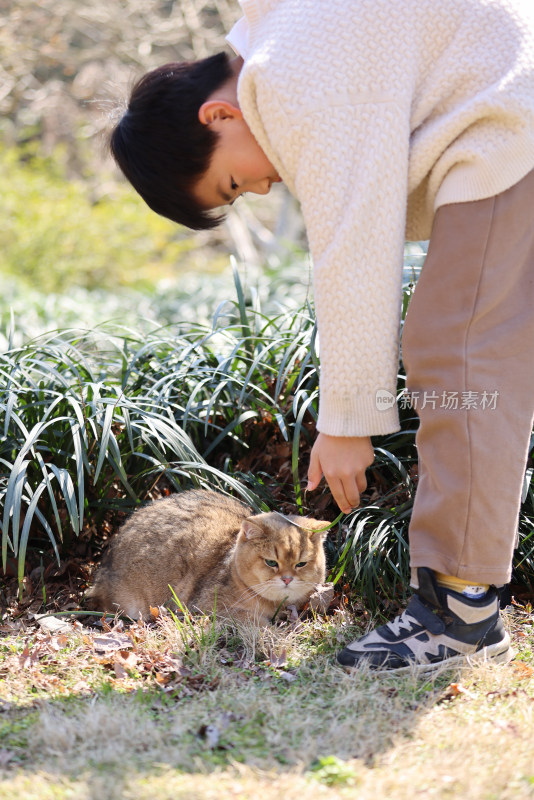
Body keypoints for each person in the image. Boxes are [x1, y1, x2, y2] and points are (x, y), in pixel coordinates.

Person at [109, 0, 534, 671]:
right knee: (463, 347)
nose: (265, 182)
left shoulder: (289, 77)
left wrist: (345, 423)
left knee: (460, 352)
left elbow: (354, 246)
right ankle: (463, 605)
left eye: (234, 181)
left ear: (217, 115)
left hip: (505, 112)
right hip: (506, 99)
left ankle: (458, 614)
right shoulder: (294, 40)